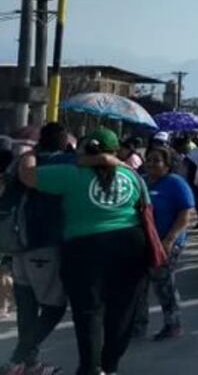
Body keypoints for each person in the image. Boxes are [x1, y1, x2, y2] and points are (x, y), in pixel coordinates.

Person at [18, 126, 148, 375]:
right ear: (115, 151)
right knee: (122, 309)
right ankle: (110, 366)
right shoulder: (131, 175)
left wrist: (29, 154)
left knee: (88, 311)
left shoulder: (70, 174)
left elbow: (28, 176)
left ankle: (90, 368)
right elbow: (145, 209)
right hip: (131, 243)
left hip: (85, 247)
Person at [2, 123, 73, 375]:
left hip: (17, 243)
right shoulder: (65, 161)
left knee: (27, 307)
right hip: (43, 243)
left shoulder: (22, 161)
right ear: (64, 142)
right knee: (54, 307)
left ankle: (29, 364)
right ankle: (17, 359)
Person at [134, 146, 195, 340]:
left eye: (156, 160)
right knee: (138, 286)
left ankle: (172, 324)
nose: (151, 164)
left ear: (168, 165)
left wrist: (168, 240)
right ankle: (137, 326)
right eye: (149, 160)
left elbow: (186, 214)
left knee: (163, 284)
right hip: (143, 242)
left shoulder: (176, 184)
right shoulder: (141, 182)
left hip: (168, 242)